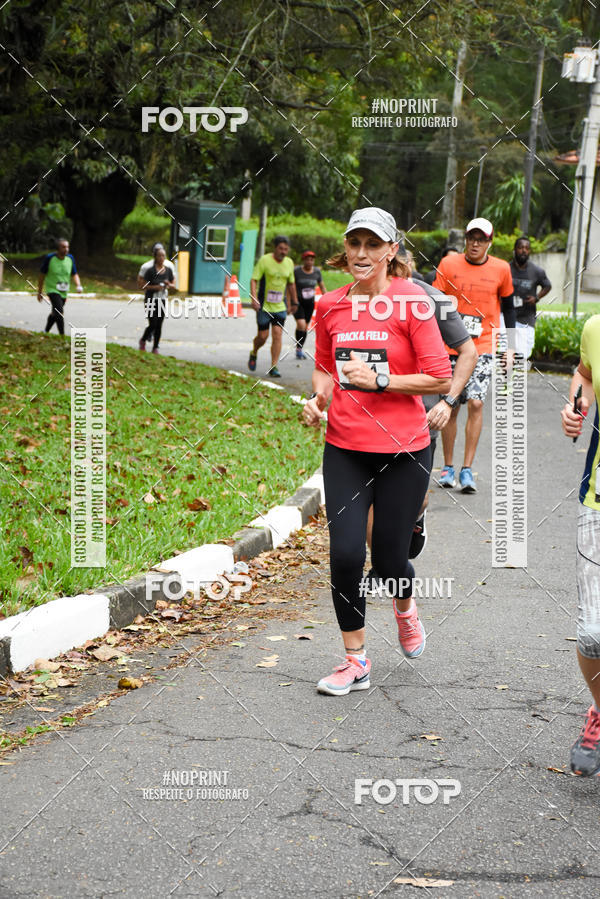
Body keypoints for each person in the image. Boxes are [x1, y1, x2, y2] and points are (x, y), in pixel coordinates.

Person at [303, 207, 451, 696]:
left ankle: (405, 607)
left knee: (388, 561)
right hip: (344, 447)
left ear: (391, 251)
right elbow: (325, 367)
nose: (362, 254)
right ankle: (355, 660)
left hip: (404, 449)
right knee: (345, 555)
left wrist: (383, 381)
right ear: (346, 248)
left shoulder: (413, 303)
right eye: (355, 244)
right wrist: (317, 397)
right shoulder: (329, 305)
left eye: (373, 244)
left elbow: (439, 377)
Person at [365, 258, 477, 574]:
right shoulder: (366, 298)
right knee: (374, 496)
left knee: (410, 499)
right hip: (376, 415)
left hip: (423, 417)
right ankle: (381, 566)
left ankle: (416, 516)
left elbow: (469, 352)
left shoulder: (434, 301)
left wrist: (448, 401)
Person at [433, 217, 516, 493]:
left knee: (477, 404)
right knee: (451, 404)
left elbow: (509, 309)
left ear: (489, 242)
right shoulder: (449, 264)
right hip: (450, 347)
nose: (475, 243)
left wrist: (510, 347)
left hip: (483, 346)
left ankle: (467, 469)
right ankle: (448, 467)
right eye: (471, 238)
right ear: (466, 240)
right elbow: (434, 302)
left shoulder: (502, 269)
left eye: (481, 239)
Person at [560, 314, 600, 775]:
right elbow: (585, 374)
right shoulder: (594, 328)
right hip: (598, 500)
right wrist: (578, 407)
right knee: (593, 634)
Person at [248, 236, 298, 377]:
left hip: (280, 306)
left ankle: (274, 366)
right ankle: (254, 351)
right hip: (264, 306)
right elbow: (254, 279)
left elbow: (291, 284)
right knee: (263, 336)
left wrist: (294, 302)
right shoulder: (265, 260)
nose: (283, 252)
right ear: (275, 248)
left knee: (277, 335)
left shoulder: (289, 263)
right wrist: (254, 298)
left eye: (286, 249)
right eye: (281, 249)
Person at [510, 236, 551, 363]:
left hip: (526, 317)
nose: (523, 251)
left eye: (527, 248)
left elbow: (547, 285)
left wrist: (537, 297)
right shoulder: (505, 269)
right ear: (515, 249)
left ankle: (516, 381)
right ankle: (504, 381)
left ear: (529, 251)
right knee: (505, 354)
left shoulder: (537, 271)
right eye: (520, 247)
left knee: (523, 355)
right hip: (506, 316)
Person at [37, 238, 83, 335]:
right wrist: (39, 292)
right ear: (58, 248)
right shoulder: (50, 258)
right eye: (63, 247)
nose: (66, 249)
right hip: (52, 289)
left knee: (55, 313)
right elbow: (41, 275)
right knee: (59, 312)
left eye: (67, 247)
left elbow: (74, 273)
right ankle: (62, 336)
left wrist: (78, 285)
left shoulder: (70, 258)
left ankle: (45, 331)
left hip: (64, 291)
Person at [138, 245, 175, 354]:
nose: (161, 258)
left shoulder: (168, 270)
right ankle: (143, 340)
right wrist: (154, 287)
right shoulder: (150, 270)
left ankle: (155, 347)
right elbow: (142, 286)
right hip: (150, 299)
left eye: (163, 255)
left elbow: (173, 284)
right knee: (152, 323)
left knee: (159, 323)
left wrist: (169, 285)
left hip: (162, 299)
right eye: (159, 256)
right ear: (155, 257)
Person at [293, 251, 325, 359]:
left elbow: (322, 286)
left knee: (305, 327)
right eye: (307, 259)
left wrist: (328, 298)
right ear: (304, 260)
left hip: (309, 303)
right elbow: (290, 285)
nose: (310, 261)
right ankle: (298, 348)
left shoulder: (316, 272)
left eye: (312, 259)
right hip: (298, 302)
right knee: (301, 324)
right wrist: (290, 301)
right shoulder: (297, 271)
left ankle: (299, 348)